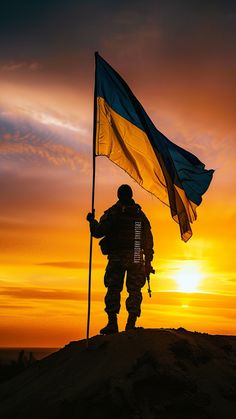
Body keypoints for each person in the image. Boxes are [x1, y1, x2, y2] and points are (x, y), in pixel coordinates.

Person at [87, 184, 154, 335]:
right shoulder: (139, 214)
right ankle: (130, 324)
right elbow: (148, 239)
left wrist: (92, 221)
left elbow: (98, 232)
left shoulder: (114, 212)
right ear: (130, 196)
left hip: (117, 256)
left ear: (119, 196)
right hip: (136, 255)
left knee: (113, 288)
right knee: (134, 290)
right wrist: (148, 261)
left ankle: (112, 324)